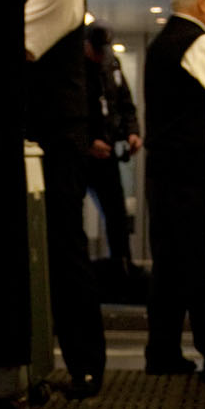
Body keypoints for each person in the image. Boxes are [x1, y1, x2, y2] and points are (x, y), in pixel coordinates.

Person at [22, 0, 108, 398]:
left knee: (64, 250)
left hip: (57, 140)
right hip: (44, 138)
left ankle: (86, 364)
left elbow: (20, 52)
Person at [142, 0, 205, 375]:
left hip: (164, 173)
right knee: (199, 265)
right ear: (203, 2)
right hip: (190, 176)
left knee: (168, 267)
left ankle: (162, 353)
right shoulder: (196, 43)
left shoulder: (161, 43)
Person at [83, 22, 141, 295]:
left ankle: (122, 270)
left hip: (107, 155)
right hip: (80, 157)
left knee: (116, 214)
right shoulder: (74, 70)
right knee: (70, 219)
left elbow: (126, 104)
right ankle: (81, 277)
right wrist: (86, 143)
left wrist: (132, 132)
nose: (100, 54)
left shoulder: (111, 64)